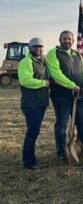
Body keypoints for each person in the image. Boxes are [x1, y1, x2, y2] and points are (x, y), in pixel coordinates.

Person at [46, 30, 83, 160]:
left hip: (78, 95)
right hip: (61, 96)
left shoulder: (76, 54)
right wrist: (73, 86)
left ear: (72, 41)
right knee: (62, 124)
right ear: (60, 39)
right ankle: (61, 151)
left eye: (69, 39)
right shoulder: (53, 53)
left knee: (82, 122)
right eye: (64, 38)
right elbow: (56, 75)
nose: (67, 41)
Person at [18, 37, 49, 169]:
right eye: (35, 46)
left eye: (40, 46)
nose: (38, 49)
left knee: (34, 131)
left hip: (40, 102)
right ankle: (28, 162)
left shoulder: (42, 62)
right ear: (29, 48)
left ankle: (31, 159)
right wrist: (44, 83)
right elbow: (25, 80)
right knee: (32, 132)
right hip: (32, 104)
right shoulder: (26, 61)